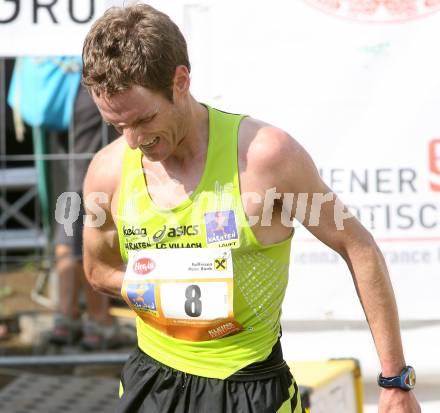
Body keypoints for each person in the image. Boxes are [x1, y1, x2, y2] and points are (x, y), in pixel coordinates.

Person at [81, 4, 421, 412]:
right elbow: (97, 270)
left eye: (144, 120)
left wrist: (395, 379)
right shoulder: (107, 171)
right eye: (118, 126)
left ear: (181, 81)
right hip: (153, 383)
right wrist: (163, 289)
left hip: (248, 387)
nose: (134, 141)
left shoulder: (266, 158)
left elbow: (357, 246)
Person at [49, 84, 123, 350]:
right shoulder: (97, 88)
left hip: (70, 169)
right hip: (86, 177)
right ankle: (97, 320)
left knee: (67, 238)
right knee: (87, 242)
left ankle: (66, 317)